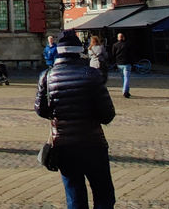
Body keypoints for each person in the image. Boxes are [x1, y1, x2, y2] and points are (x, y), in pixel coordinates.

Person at [36, 30, 116, 209]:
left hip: (63, 144)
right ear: (79, 50)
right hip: (93, 143)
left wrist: (58, 114)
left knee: (75, 196)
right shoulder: (92, 75)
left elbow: (40, 110)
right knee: (104, 194)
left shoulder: (47, 76)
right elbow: (108, 114)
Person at [110, 32, 135, 98]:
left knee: (123, 78)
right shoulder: (127, 44)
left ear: (118, 38)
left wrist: (114, 63)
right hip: (127, 63)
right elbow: (131, 54)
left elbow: (113, 55)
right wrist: (132, 62)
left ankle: (126, 90)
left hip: (119, 63)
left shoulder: (115, 45)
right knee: (126, 77)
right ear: (123, 37)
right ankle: (125, 91)